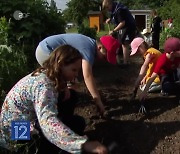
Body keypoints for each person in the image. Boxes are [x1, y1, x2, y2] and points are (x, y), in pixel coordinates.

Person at [0, 45, 107, 154]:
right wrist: (81, 144)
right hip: (16, 134)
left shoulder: (47, 74)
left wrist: (65, 87)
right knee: (67, 138)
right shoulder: (44, 86)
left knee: (77, 121)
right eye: (74, 70)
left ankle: (61, 139)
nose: (76, 74)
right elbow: (47, 122)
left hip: (25, 123)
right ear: (60, 64)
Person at [35, 33, 121, 116]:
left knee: (68, 83)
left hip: (46, 48)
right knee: (62, 84)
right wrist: (98, 100)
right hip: (46, 50)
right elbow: (87, 76)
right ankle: (55, 113)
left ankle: (59, 107)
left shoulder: (90, 44)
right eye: (105, 56)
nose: (104, 59)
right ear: (100, 47)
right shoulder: (88, 49)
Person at [139, 37, 180, 102]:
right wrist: (144, 92)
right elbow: (153, 76)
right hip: (164, 75)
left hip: (174, 72)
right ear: (172, 53)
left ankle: (175, 85)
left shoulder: (177, 57)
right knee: (167, 88)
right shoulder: (162, 60)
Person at [102, 0, 137, 65]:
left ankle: (125, 62)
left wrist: (113, 31)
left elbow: (122, 22)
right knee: (120, 42)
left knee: (124, 44)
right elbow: (114, 17)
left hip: (128, 27)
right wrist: (110, 19)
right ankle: (122, 60)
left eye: (107, 8)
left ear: (110, 4)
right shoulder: (114, 8)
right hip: (123, 27)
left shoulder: (119, 10)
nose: (107, 10)